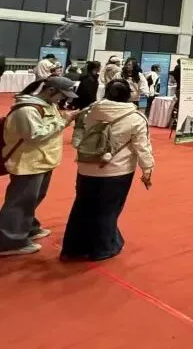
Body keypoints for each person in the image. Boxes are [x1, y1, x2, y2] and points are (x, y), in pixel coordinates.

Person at [61, 80, 153, 261]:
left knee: (81, 208)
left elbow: (80, 132)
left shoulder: (91, 111)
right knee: (108, 210)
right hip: (116, 170)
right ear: (129, 95)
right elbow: (142, 147)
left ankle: (73, 248)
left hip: (86, 166)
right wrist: (147, 169)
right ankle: (103, 248)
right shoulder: (135, 118)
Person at [0, 77, 80, 256]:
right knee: (20, 201)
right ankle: (9, 241)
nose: (63, 99)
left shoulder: (47, 105)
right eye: (62, 95)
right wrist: (64, 121)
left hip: (41, 160)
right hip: (28, 162)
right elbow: (35, 135)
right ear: (50, 90)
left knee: (33, 198)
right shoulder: (27, 109)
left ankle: (27, 227)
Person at [72, 61, 102, 149]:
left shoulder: (90, 77)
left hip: (86, 103)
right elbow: (87, 93)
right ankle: (77, 141)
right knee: (81, 124)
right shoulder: (89, 79)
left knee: (83, 123)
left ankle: (80, 140)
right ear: (96, 68)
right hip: (86, 104)